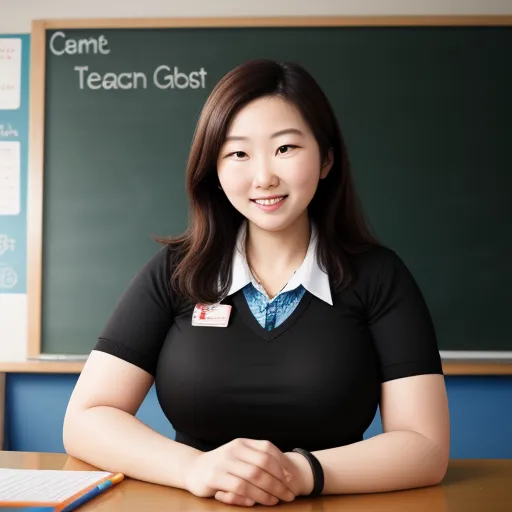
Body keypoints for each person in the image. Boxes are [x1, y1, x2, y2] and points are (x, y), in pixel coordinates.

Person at [63, 59, 450, 507]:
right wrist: (193, 468)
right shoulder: (176, 271)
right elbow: (85, 419)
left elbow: (426, 446)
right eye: (238, 153)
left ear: (326, 158)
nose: (264, 176)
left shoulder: (380, 277)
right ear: (214, 168)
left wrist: (299, 472)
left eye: (285, 149)